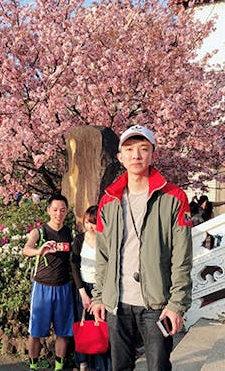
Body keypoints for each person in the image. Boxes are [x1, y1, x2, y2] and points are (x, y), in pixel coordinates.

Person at [91, 125, 193, 371]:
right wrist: (99, 297)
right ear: (120, 157)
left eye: (143, 149)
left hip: (157, 305)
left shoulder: (174, 197)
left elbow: (182, 257)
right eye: (129, 150)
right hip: (117, 303)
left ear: (153, 155)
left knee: (158, 366)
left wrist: (176, 304)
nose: (136, 155)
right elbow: (102, 255)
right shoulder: (109, 200)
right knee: (120, 367)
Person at [21, 194, 74, 371]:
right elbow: (26, 249)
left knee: (63, 332)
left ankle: (59, 367)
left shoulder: (69, 232)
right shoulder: (40, 232)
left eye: (63, 210)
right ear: (48, 211)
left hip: (64, 287)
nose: (59, 213)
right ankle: (33, 367)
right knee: (35, 332)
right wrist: (39, 251)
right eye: (55, 210)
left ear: (66, 212)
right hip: (42, 287)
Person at [70, 206, 110, 371]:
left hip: (101, 287)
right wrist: (82, 292)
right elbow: (74, 264)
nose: (90, 227)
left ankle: (102, 365)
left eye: (93, 223)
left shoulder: (105, 239)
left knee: (100, 326)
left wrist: (100, 294)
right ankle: (83, 361)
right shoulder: (79, 240)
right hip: (83, 286)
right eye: (87, 223)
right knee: (83, 323)